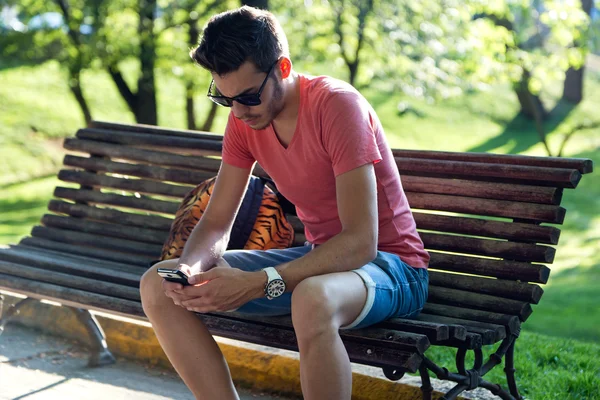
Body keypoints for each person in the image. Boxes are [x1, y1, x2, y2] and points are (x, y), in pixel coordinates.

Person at [140, 5, 430, 400]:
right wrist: (191, 272)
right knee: (158, 285)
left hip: (392, 268)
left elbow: (362, 242)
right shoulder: (245, 120)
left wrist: (259, 283)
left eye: (247, 96)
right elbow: (215, 223)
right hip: (319, 265)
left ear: (284, 68)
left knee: (312, 298)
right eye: (225, 100)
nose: (239, 112)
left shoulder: (337, 106)